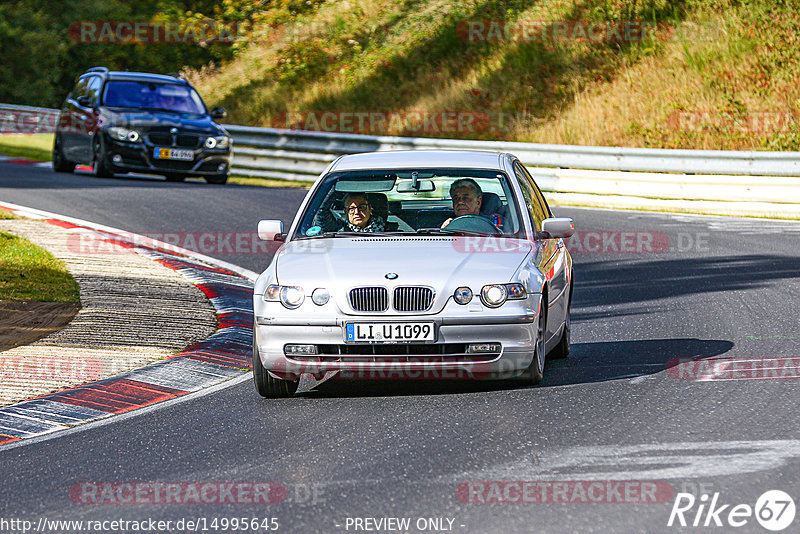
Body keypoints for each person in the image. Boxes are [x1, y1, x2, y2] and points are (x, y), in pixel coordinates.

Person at [314, 192, 386, 233]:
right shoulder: (337, 229)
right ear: (346, 212)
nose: (357, 212)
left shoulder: (391, 230)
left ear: (370, 209)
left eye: (361, 207)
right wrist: (335, 192)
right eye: (351, 209)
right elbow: (320, 211)